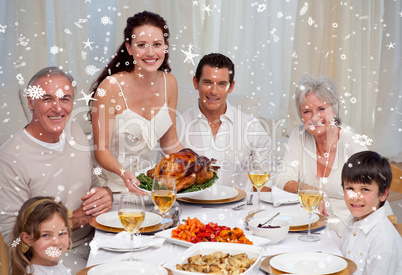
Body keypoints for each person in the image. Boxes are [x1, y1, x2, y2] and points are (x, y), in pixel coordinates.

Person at [0, 67, 113, 274]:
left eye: (65, 99)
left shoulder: (75, 130)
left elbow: (95, 183)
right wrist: (75, 220)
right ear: (31, 102)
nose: (58, 108)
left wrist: (106, 195)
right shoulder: (10, 158)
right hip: (51, 259)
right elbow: (14, 236)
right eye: (47, 99)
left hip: (98, 237)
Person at [273, 74, 392, 235]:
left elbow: (372, 197)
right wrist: (306, 189)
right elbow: (280, 177)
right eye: (307, 111)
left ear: (334, 110)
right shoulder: (299, 135)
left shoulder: (353, 145)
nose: (315, 117)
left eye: (321, 109)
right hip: (316, 227)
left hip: (354, 230)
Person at [90, 11, 183, 193]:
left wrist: (194, 163)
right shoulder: (109, 87)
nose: (150, 53)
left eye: (157, 44)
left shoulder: (169, 83)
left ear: (165, 47)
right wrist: (124, 174)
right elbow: (101, 151)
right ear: (130, 48)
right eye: (141, 45)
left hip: (149, 186)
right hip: (111, 188)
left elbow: (169, 142)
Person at [176, 53, 272, 192]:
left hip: (239, 211)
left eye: (222, 84)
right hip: (190, 211)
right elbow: (164, 185)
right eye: (207, 82)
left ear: (231, 87)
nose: (214, 91)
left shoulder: (252, 127)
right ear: (196, 82)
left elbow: (266, 183)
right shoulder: (176, 127)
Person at [340, 151, 402, 275]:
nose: (355, 197)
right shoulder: (353, 221)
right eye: (350, 188)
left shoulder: (383, 241)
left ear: (383, 193)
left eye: (365, 189)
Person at [11, 197, 72, 275]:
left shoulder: (58, 264)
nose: (56, 242)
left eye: (62, 233)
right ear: (27, 239)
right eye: (46, 235)